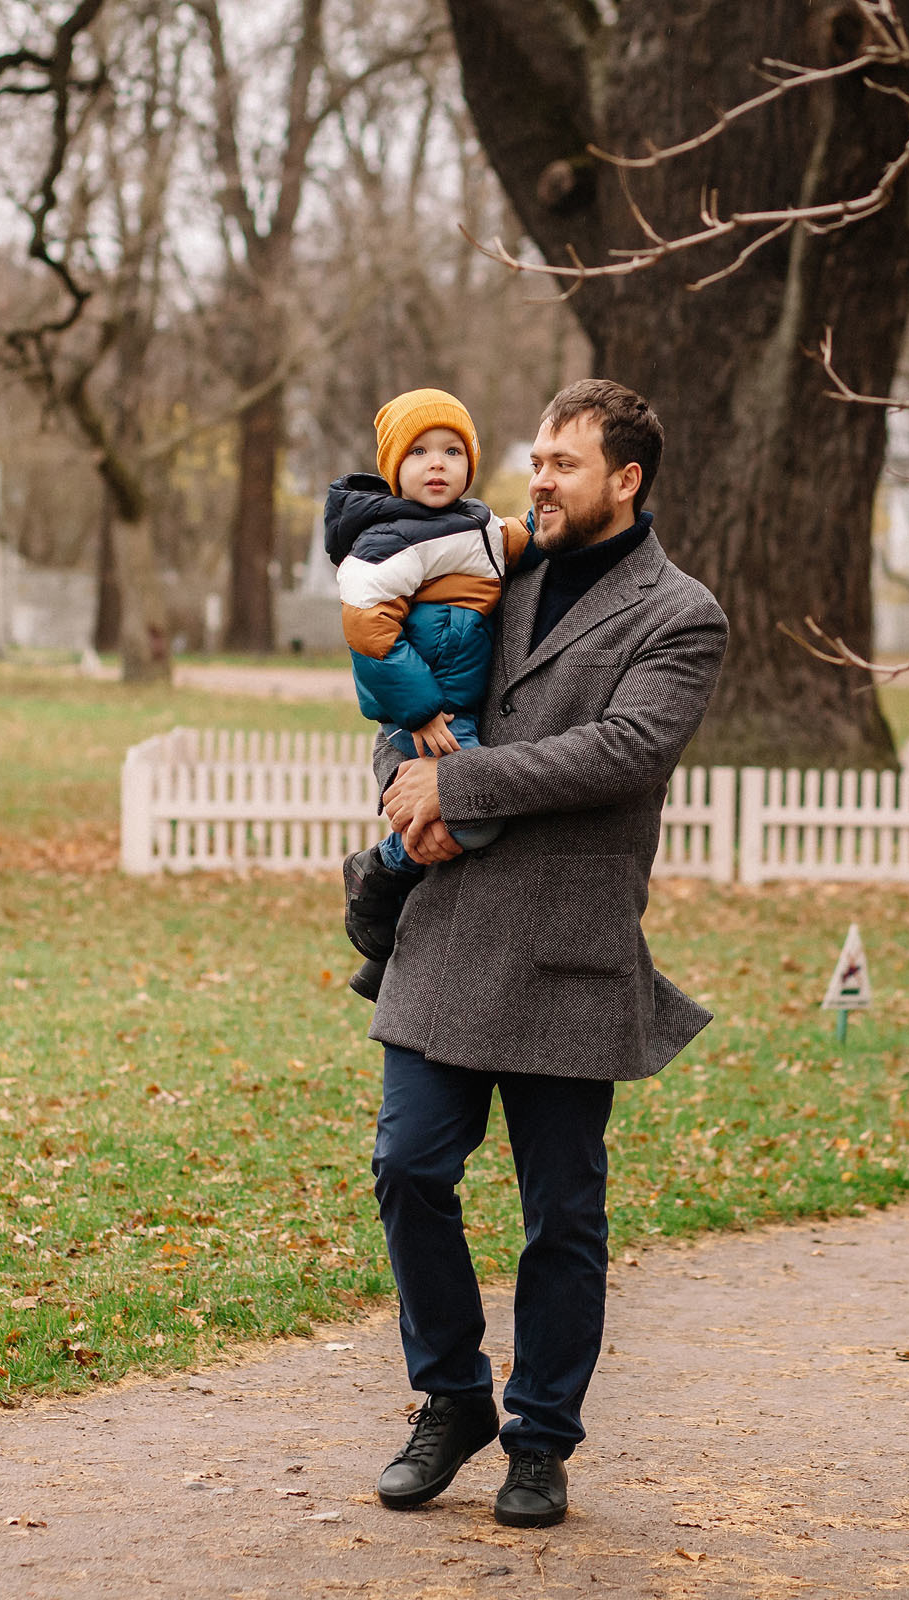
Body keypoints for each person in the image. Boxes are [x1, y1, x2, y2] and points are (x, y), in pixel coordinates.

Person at [359, 379, 726, 1530]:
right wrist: (404, 783)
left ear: (625, 479)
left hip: (570, 948)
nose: (538, 478)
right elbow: (402, 690)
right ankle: (453, 1398)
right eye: (534, 456)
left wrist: (458, 784)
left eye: (562, 462)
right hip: (451, 928)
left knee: (562, 1213)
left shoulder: (682, 614)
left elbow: (623, 751)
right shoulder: (486, 562)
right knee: (410, 1167)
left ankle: (542, 1439)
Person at [331, 389, 540, 1001]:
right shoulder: (387, 538)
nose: (437, 463)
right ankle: (378, 871)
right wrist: (419, 709)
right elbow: (367, 626)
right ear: (394, 468)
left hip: (458, 709)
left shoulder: (476, 526)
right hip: (427, 717)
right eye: (419, 452)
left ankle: (386, 957)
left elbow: (525, 541)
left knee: (457, 830)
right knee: (471, 823)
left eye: (452, 450)